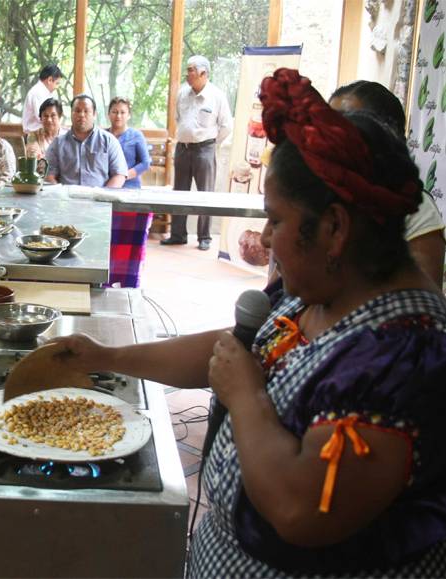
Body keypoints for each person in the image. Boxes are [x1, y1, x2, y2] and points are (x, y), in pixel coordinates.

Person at [52, 69, 446, 577]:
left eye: (276, 220)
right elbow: (236, 351)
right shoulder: (327, 292)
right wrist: (104, 359)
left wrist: (246, 397)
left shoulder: (401, 357)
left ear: (333, 229)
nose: (266, 236)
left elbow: (301, 510)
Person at [329, 80, 445, 285]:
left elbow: (420, 301)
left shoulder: (416, 208)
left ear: (386, 135)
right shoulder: (318, 189)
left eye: (346, 124)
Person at [162, 55, 232, 251]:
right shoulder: (183, 93)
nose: (188, 73)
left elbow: (226, 126)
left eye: (191, 69)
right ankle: (178, 234)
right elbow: (178, 118)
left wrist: (210, 143)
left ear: (204, 73)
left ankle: (204, 237)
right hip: (183, 148)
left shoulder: (216, 96)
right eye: (187, 69)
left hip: (205, 149)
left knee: (205, 195)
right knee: (180, 193)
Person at [106, 97, 152, 288]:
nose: (118, 115)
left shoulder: (136, 136)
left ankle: (129, 280)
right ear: (109, 113)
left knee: (129, 241)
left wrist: (124, 176)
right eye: (115, 111)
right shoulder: (102, 134)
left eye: (122, 112)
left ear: (129, 115)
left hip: (130, 192)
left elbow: (145, 163)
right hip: (107, 191)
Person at [45, 94, 127, 188]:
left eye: (86, 111)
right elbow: (49, 175)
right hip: (67, 199)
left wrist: (103, 196)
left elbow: (119, 175)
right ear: (71, 113)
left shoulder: (109, 141)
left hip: (100, 199)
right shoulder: (58, 143)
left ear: (94, 114)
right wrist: (61, 195)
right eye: (77, 111)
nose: (81, 115)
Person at [24, 97, 66, 172]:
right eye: (45, 116)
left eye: (53, 115)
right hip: (42, 178)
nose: (49, 120)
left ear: (60, 117)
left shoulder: (68, 136)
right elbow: (34, 161)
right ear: (40, 118)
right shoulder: (33, 136)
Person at [22, 64, 63, 134]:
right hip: (35, 135)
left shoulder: (43, 92)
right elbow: (43, 118)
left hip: (42, 133)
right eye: (57, 83)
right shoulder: (37, 92)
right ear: (50, 80)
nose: (57, 87)